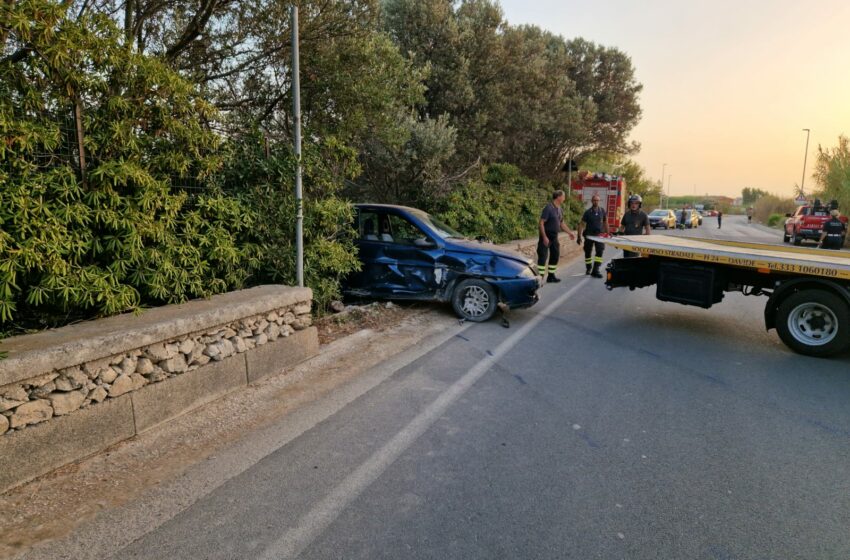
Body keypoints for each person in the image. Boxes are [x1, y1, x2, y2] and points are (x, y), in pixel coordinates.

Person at [537, 190, 576, 282]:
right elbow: (541, 223)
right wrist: (544, 237)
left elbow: (561, 223)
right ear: (558, 197)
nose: (564, 198)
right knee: (543, 257)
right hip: (546, 236)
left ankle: (551, 276)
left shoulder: (560, 209)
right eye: (563, 196)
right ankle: (539, 278)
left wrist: (570, 232)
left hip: (554, 237)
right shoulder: (548, 208)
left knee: (555, 256)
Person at [576, 195, 608, 278]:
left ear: (599, 201)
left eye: (597, 200)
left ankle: (596, 270)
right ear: (592, 201)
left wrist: (608, 233)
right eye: (594, 200)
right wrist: (579, 236)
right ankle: (589, 268)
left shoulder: (602, 211)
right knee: (587, 252)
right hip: (589, 235)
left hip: (599, 235)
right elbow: (582, 224)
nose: (596, 202)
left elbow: (605, 222)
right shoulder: (587, 212)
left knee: (600, 251)